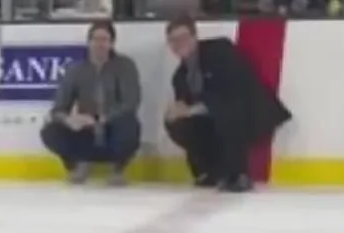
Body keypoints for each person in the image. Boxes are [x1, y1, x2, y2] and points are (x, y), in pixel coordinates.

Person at [164, 19, 290, 192]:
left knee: (225, 111)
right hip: (215, 119)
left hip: (248, 111)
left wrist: (193, 109)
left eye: (183, 37)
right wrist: (177, 111)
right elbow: (185, 105)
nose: (179, 44)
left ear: (195, 37)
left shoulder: (219, 50)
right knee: (177, 123)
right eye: (173, 40)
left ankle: (239, 173)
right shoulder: (179, 77)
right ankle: (209, 171)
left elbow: (234, 91)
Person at [42, 21, 141, 185]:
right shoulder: (76, 70)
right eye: (95, 39)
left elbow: (131, 102)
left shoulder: (125, 66)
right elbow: (58, 108)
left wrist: (102, 119)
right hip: (86, 131)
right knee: (50, 131)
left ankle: (118, 168)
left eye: (105, 39)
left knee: (129, 124)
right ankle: (79, 164)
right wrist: (70, 120)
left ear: (112, 43)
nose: (100, 44)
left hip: (113, 126)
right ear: (88, 42)